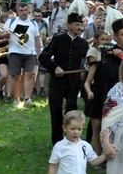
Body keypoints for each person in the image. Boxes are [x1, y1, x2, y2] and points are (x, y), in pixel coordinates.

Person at [39, 13, 90, 145]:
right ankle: (57, 142)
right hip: (57, 82)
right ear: (68, 25)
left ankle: (71, 140)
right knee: (55, 110)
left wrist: (87, 70)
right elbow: (43, 57)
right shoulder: (58, 39)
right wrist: (54, 67)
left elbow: (89, 62)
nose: (79, 27)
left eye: (80, 25)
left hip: (73, 83)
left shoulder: (83, 44)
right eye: (76, 25)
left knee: (71, 110)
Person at [0, 2, 41, 108]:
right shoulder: (11, 21)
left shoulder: (33, 23)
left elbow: (37, 40)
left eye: (25, 10)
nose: (24, 12)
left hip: (30, 53)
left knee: (29, 75)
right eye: (21, 10)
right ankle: (15, 98)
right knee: (14, 76)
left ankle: (27, 99)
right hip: (15, 52)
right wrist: (5, 35)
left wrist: (38, 55)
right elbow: (0, 34)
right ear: (17, 11)